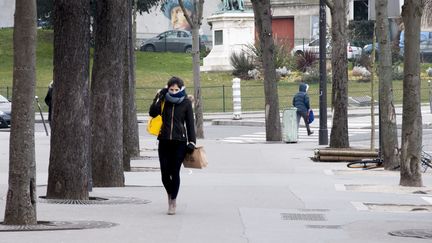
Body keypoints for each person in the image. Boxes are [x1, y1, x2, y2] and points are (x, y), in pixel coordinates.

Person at [149, 76, 196, 215]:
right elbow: (152, 112)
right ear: (167, 88)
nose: (174, 92)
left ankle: (173, 201)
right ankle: (170, 194)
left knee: (174, 172)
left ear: (181, 89)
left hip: (180, 143)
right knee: (164, 173)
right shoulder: (164, 100)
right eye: (171, 89)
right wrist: (158, 96)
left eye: (176, 89)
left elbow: (190, 124)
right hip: (164, 142)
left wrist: (192, 142)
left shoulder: (186, 103)